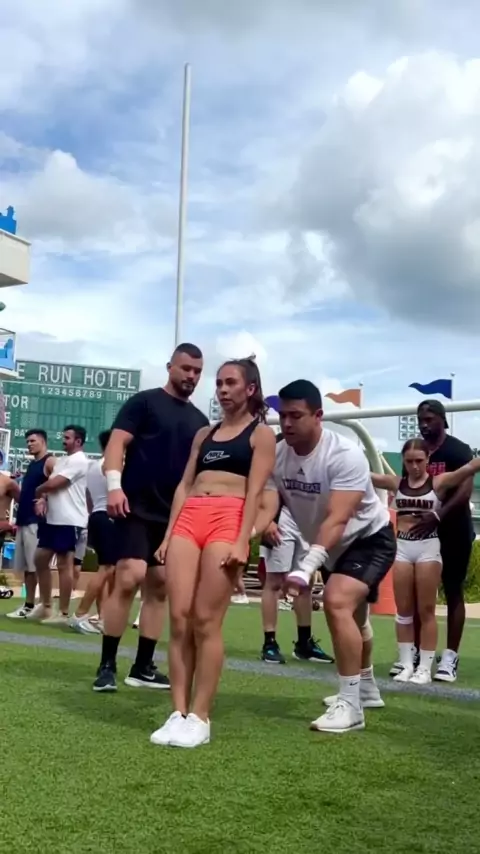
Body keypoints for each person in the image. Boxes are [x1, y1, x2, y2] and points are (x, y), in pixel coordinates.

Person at [256, 380, 396, 734]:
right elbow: (269, 501)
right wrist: (255, 528)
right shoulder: (278, 455)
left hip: (368, 538)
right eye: (283, 416)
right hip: (331, 547)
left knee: (335, 602)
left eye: (296, 415)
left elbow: (338, 518)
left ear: (318, 416)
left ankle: (350, 705)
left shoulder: (345, 454)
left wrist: (305, 568)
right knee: (356, 621)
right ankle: (366, 687)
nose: (287, 423)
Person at [150, 357, 275, 749]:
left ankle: (200, 716)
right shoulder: (204, 433)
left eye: (230, 382)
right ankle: (177, 712)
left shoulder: (261, 435)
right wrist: (168, 535)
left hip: (228, 519)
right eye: (219, 383)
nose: (222, 389)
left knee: (206, 620)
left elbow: (256, 493)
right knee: (179, 618)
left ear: (250, 389)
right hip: (189, 519)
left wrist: (243, 541)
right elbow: (184, 486)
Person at [93, 343, 208, 692]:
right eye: (185, 368)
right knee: (129, 575)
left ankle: (142, 666)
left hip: (172, 515)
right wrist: (115, 487)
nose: (191, 376)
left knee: (159, 587)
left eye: (197, 371)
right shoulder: (143, 402)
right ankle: (107, 665)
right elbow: (116, 444)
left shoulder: (201, 422)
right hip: (135, 507)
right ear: (170, 366)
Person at [372, 438, 480, 684]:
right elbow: (365, 475)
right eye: (409, 461)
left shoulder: (438, 482)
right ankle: (406, 664)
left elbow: (468, 468)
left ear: (428, 460)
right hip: (403, 547)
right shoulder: (396, 483)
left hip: (428, 548)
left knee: (426, 610)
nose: (414, 466)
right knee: (403, 612)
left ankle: (424, 668)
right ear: (403, 461)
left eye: (419, 461)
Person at [389, 400, 474, 683]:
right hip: (420, 536)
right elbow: (406, 490)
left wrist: (438, 515)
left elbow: (464, 490)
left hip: (453, 529)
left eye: (429, 419)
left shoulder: (457, 450)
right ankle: (413, 653)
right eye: (420, 420)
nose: (424, 425)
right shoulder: (416, 453)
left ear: (442, 419)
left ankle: (449, 656)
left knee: (453, 590)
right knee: (415, 596)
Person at [260, 432, 334, 665]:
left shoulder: (320, 452)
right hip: (281, 519)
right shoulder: (278, 448)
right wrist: (267, 521)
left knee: (305, 583)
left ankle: (304, 643)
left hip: (307, 521)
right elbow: (260, 486)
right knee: (274, 581)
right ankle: (269, 643)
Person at [30, 425, 89, 624]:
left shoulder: (80, 461)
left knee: (65, 564)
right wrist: (42, 499)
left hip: (70, 519)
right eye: (63, 437)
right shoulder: (62, 461)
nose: (63, 440)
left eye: (67, 438)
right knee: (40, 559)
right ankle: (46, 606)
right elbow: (50, 488)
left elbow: (54, 484)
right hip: (52, 519)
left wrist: (38, 491)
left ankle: (63, 613)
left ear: (78, 441)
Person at [69, 430, 116, 635]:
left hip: (97, 515)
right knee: (107, 569)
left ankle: (103, 617)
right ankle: (80, 614)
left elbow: (89, 498)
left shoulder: (93, 466)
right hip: (109, 517)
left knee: (106, 569)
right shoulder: (113, 465)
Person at [7, 430, 49, 618]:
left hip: (36, 522)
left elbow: (59, 484)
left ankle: (41, 605)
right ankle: (29, 604)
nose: (29, 444)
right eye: (27, 441)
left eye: (32, 441)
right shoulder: (32, 465)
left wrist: (44, 499)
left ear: (43, 441)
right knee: (26, 568)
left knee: (35, 566)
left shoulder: (49, 462)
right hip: (23, 520)